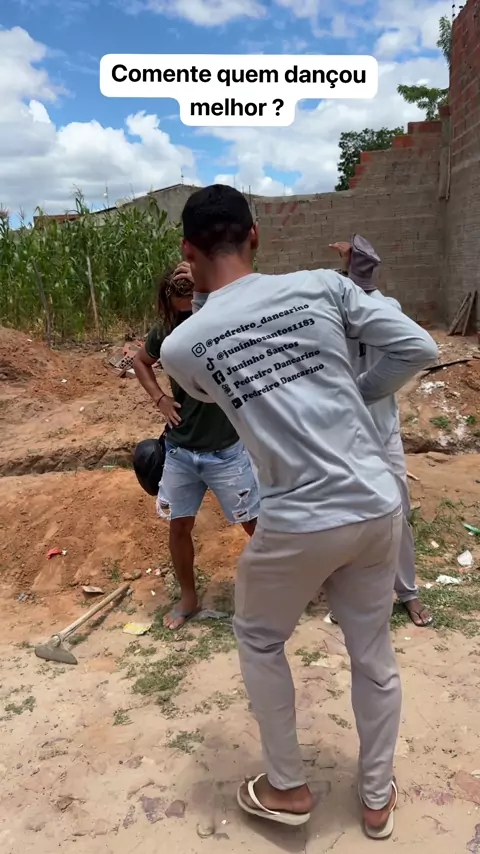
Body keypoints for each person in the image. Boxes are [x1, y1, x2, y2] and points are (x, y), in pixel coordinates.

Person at [159, 184, 438, 838]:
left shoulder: (182, 345)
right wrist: (358, 393)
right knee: (372, 654)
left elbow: (211, 393)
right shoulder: (322, 286)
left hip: (298, 518)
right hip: (375, 505)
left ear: (188, 251)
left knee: (260, 637)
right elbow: (419, 349)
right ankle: (376, 801)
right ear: (255, 235)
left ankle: (287, 787)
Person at [133, 265, 259, 630]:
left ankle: (281, 588)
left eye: (193, 304)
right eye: (181, 308)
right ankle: (188, 598)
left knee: (256, 525)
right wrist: (160, 398)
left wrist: (205, 278)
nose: (188, 315)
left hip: (226, 450)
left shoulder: (224, 321)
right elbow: (140, 361)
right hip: (181, 451)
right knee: (179, 527)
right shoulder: (167, 331)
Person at [327, 235, 432, 628]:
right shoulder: (331, 311)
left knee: (397, 513)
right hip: (344, 432)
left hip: (382, 428)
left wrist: (357, 280)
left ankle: (407, 591)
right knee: (348, 516)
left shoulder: (388, 308)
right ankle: (351, 594)